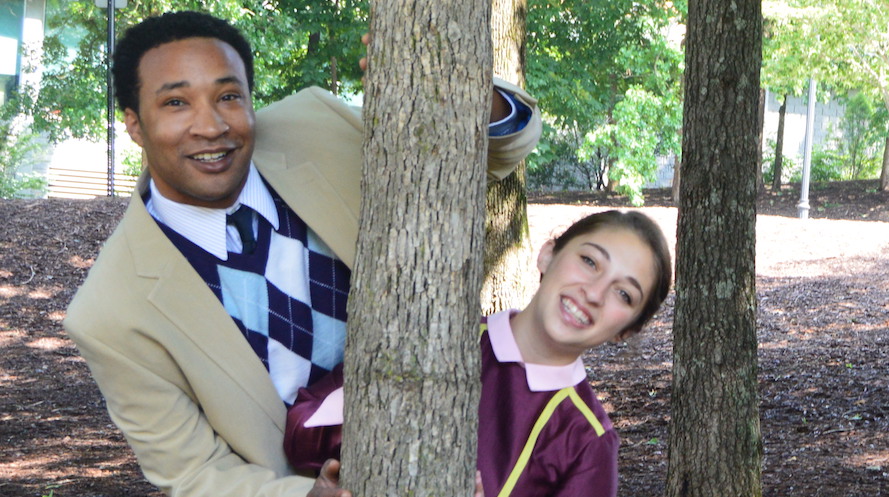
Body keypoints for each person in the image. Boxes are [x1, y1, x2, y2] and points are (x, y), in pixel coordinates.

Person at [62, 10, 542, 497]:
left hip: (457, 456)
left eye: (228, 96)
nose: (209, 126)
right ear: (135, 125)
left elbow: (490, 156)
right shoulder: (108, 313)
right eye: (176, 103)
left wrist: (458, 86)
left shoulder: (314, 123)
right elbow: (191, 471)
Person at [284, 210, 673, 497]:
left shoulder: (586, 440)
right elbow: (302, 435)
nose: (594, 292)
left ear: (628, 330)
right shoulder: (437, 338)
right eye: (589, 261)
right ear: (548, 254)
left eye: (624, 293)